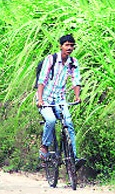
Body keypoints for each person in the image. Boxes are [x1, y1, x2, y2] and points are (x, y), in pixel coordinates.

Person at [36, 34, 85, 170]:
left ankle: (74, 158)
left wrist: (77, 96)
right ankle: (45, 146)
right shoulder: (51, 60)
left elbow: (76, 80)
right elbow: (42, 80)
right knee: (50, 120)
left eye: (71, 45)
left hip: (60, 99)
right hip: (45, 98)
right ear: (61, 46)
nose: (69, 48)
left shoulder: (73, 62)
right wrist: (40, 99)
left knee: (69, 123)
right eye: (66, 45)